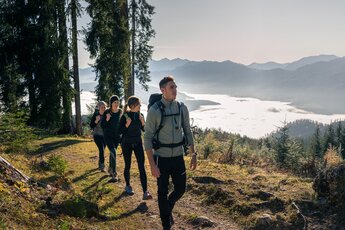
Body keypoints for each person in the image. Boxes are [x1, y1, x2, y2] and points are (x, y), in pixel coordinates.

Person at [144, 76, 197, 230]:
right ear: (163, 90)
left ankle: (168, 206)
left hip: (178, 156)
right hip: (161, 158)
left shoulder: (182, 108)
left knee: (180, 189)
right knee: (162, 191)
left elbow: (187, 131)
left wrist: (193, 154)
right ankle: (166, 224)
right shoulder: (154, 111)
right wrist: (152, 165)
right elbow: (147, 138)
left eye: (175, 87)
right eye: (171, 87)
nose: (175, 90)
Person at [119, 96, 153, 200]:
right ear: (133, 105)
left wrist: (143, 123)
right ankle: (128, 185)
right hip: (127, 144)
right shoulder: (125, 116)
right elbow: (119, 132)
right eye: (139, 104)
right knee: (128, 165)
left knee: (141, 167)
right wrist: (126, 125)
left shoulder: (140, 115)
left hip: (138, 143)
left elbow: (145, 130)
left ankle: (145, 192)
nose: (140, 106)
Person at [101, 95, 122, 182]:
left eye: (118, 102)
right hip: (108, 136)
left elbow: (123, 121)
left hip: (116, 137)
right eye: (115, 102)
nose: (116, 104)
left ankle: (110, 168)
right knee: (113, 151)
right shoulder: (107, 112)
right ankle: (114, 173)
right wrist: (107, 119)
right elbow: (102, 125)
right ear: (111, 103)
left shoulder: (120, 112)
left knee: (112, 153)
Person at [90, 101, 107, 172]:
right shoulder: (96, 114)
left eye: (104, 107)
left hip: (105, 136)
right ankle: (102, 166)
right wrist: (96, 120)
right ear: (99, 108)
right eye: (102, 107)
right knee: (101, 149)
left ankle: (100, 163)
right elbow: (91, 125)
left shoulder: (107, 115)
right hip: (97, 135)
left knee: (102, 150)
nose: (103, 108)